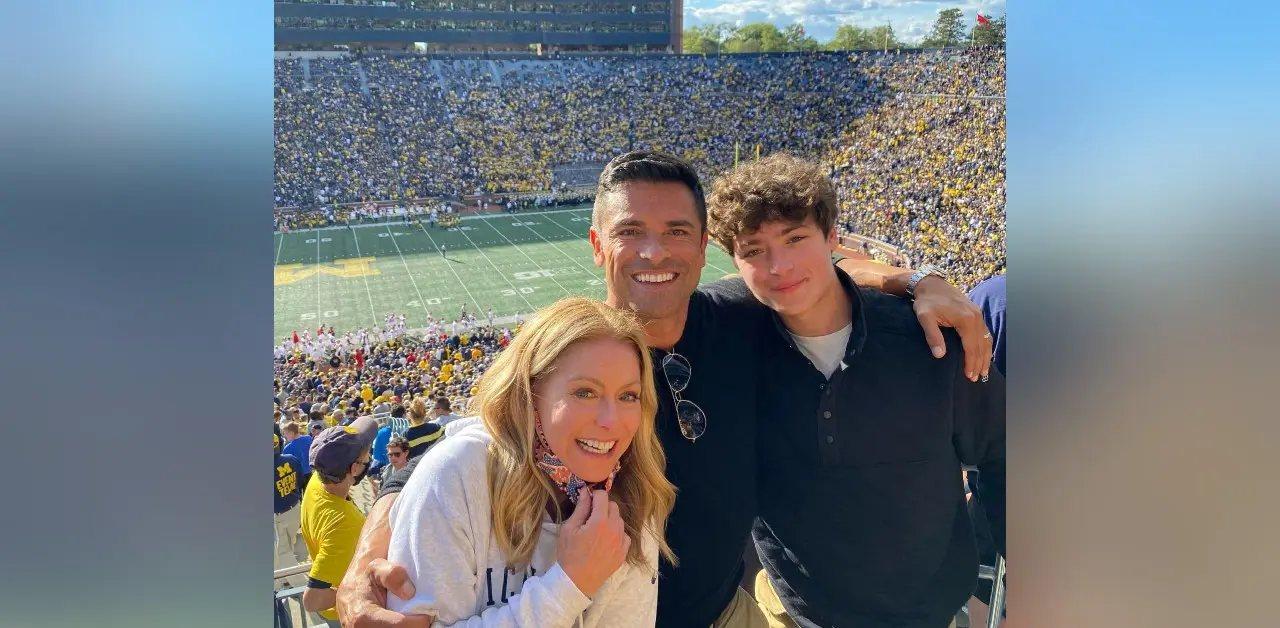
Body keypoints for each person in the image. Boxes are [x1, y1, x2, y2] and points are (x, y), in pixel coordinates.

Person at [336, 150, 991, 627]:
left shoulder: (746, 317)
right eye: (631, 232)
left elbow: (813, 268)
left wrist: (920, 281)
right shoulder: (571, 352)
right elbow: (459, 445)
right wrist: (370, 548)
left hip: (728, 610)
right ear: (596, 245)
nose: (656, 252)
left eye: (677, 231)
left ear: (705, 245)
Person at [703, 153, 1005, 628]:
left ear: (832, 238)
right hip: (795, 613)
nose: (778, 265)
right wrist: (914, 276)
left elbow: (1002, 453)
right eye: (754, 250)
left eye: (795, 238)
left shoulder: (928, 339)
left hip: (928, 615)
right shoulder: (729, 335)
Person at [387, 297, 675, 626]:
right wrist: (567, 587)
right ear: (530, 393)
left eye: (628, 396)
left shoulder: (634, 495)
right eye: (584, 393)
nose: (611, 421)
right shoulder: (457, 475)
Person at [300, 417, 379, 625]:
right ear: (354, 469)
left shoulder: (319, 478)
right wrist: (357, 591)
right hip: (343, 613)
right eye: (365, 456)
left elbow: (367, 423)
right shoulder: (345, 523)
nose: (369, 456)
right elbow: (312, 600)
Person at [274, 426, 305, 582]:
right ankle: (285, 578)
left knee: (283, 550)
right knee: (288, 544)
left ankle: (301, 584)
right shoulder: (291, 459)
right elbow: (299, 481)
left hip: (278, 514)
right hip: (293, 508)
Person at [281, 421, 314, 486]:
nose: (285, 436)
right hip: (310, 470)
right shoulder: (308, 438)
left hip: (297, 474)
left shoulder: (288, 448)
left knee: (298, 493)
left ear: (292, 433)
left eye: (286, 434)